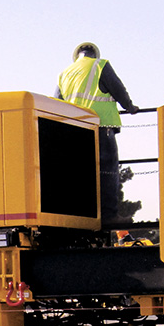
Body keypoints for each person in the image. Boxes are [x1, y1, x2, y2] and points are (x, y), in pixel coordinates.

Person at [56, 43, 138, 225]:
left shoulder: (64, 73)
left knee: (80, 173)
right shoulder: (99, 65)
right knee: (107, 170)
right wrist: (130, 107)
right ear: (94, 54)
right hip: (101, 126)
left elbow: (56, 102)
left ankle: (80, 217)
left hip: (73, 130)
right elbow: (118, 89)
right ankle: (109, 216)